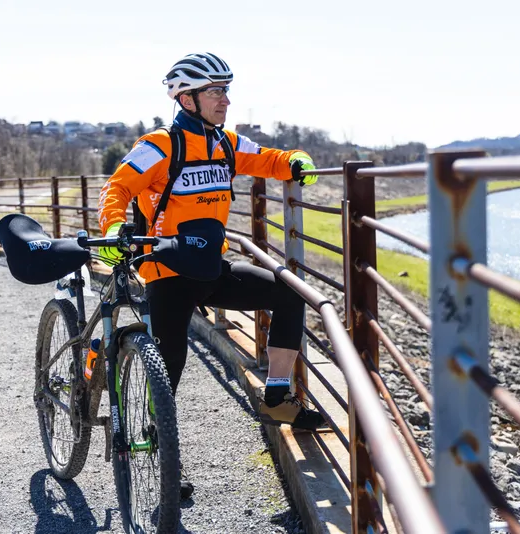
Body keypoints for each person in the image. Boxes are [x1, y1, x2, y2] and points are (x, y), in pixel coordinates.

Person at [97, 52, 327, 499]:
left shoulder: (225, 143)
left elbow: (271, 160)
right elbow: (118, 187)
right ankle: (161, 463)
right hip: (167, 272)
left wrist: (297, 159)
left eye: (226, 90)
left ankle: (277, 398)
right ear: (187, 98)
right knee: (167, 372)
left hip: (210, 267)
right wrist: (111, 226)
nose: (225, 100)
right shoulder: (160, 145)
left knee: (287, 293)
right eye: (215, 92)